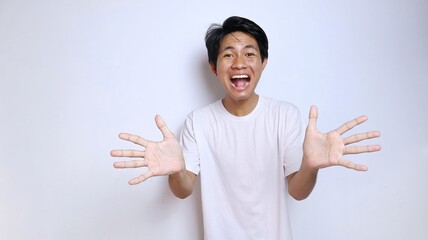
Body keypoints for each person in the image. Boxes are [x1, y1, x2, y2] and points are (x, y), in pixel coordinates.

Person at [110, 16, 381, 240]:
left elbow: (298, 191)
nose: (239, 63)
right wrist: (177, 170)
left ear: (263, 63)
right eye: (228, 55)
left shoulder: (283, 115)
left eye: (249, 54)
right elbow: (183, 189)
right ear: (214, 67)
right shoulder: (199, 121)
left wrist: (310, 165)